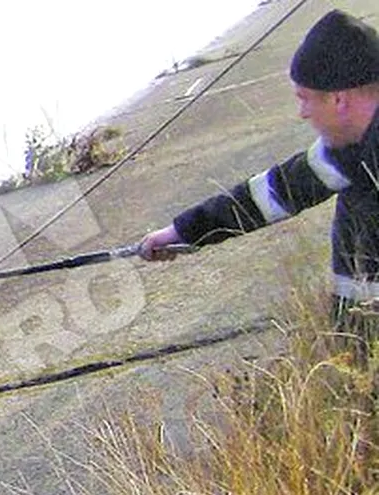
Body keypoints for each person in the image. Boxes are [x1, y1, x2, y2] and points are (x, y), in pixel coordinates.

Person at [139, 9, 379, 339]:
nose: (302, 113)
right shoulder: (348, 149)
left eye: (305, 99)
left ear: (338, 98)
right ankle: (357, 344)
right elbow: (277, 191)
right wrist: (184, 232)